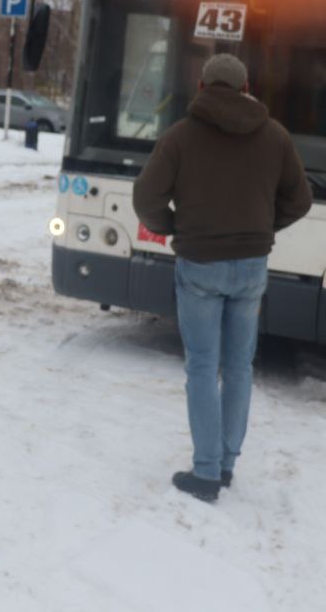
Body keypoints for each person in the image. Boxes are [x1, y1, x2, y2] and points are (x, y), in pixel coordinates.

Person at [132, 53, 312, 503]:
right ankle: (227, 463)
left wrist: (173, 225)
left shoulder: (180, 137)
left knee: (201, 366)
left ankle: (206, 472)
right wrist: (264, 227)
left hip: (200, 265)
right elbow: (301, 199)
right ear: (246, 85)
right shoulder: (275, 136)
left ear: (201, 86)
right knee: (238, 367)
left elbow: (145, 198)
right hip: (251, 266)